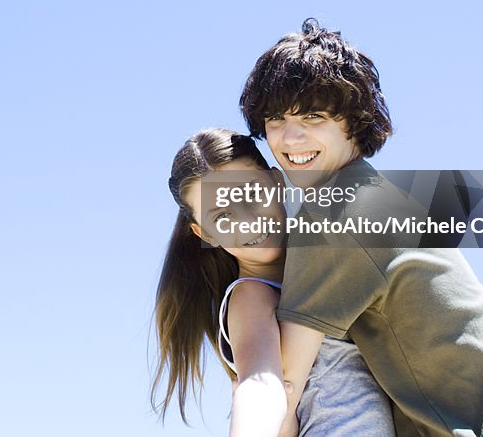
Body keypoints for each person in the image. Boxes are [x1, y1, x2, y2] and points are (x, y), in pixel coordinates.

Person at [238, 19, 483, 436]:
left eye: (313, 116)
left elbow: (284, 383)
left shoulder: (335, 214)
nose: (290, 138)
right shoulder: (387, 197)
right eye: (275, 119)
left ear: (352, 121)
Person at [152, 128, 395, 437]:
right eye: (223, 217)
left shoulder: (329, 261)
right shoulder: (250, 296)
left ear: (278, 183)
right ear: (206, 235)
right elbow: (259, 385)